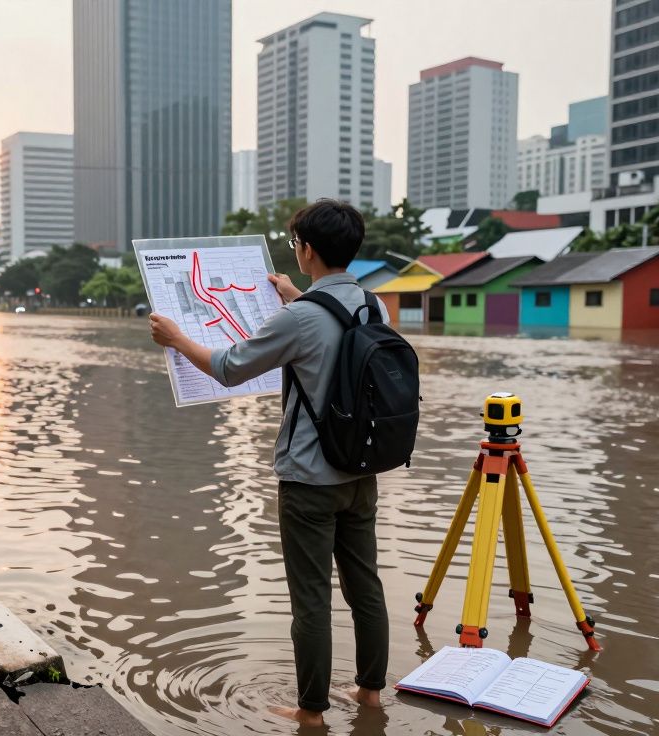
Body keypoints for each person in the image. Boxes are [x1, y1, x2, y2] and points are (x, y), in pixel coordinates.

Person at [148, 198, 389, 728]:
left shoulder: (298, 318)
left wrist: (177, 338)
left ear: (307, 250)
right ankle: (370, 694)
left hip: (309, 479)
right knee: (365, 587)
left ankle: (311, 713)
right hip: (361, 473)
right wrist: (298, 295)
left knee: (311, 600)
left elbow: (229, 367)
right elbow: (334, 333)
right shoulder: (375, 308)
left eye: (295, 243)